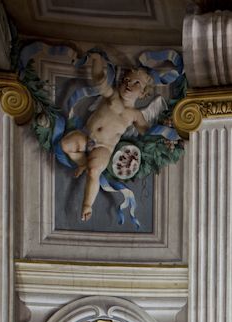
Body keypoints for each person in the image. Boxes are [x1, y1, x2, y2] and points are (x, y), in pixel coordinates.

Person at [61, 54, 165, 221]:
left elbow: (147, 133)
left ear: (143, 93)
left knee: (94, 170)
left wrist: (166, 134)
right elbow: (99, 82)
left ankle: (87, 204)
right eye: (127, 80)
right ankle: (81, 162)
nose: (129, 84)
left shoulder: (135, 114)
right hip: (86, 135)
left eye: (136, 83)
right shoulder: (112, 96)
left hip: (103, 147)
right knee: (66, 144)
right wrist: (96, 59)